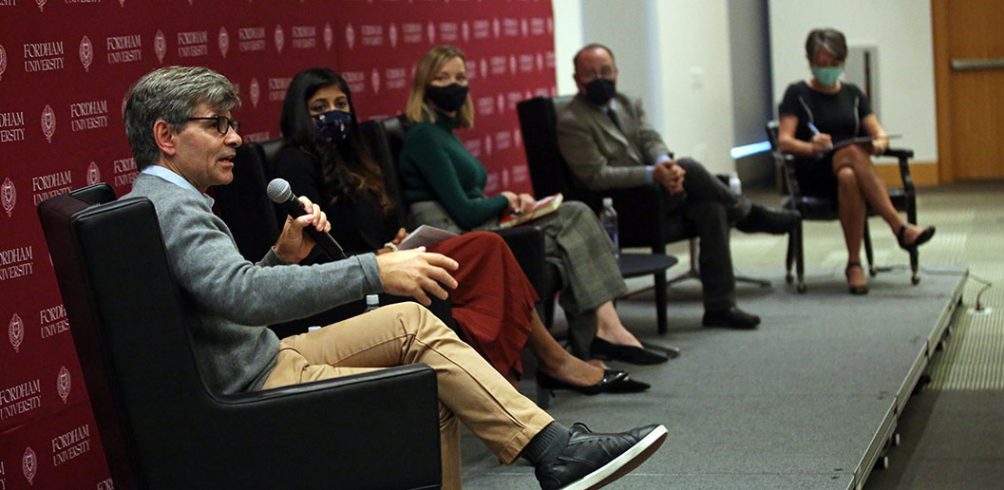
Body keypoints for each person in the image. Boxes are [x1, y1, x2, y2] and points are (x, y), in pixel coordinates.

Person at [121, 65, 666, 490]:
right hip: (254, 383)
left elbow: (221, 298)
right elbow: (243, 297)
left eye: (232, 124)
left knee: (409, 320)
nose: (235, 138)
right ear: (166, 135)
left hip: (261, 355)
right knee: (423, 393)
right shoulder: (174, 208)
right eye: (217, 125)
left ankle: (555, 451)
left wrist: (281, 258)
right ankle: (556, 452)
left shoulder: (163, 201)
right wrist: (372, 268)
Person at [272, 66, 649, 394]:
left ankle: (543, 366)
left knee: (490, 249)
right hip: (360, 276)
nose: (334, 115)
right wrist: (377, 258)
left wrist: (397, 239)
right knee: (488, 247)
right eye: (320, 108)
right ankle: (550, 364)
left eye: (341, 105)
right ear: (300, 114)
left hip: (395, 257)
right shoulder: (295, 163)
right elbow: (315, 249)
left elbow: (386, 220)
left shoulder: (356, 154)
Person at [400, 44, 667, 365]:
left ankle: (600, 336)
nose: (454, 85)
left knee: (569, 229)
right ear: (424, 85)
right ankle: (603, 334)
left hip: (477, 227)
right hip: (456, 239)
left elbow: (468, 202)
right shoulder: (424, 137)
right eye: (442, 78)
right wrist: (507, 199)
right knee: (574, 216)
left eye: (460, 76)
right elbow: (463, 211)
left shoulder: (445, 133)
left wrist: (511, 205)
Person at [557, 43, 801, 329]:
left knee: (710, 207)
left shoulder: (628, 102)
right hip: (621, 208)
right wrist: (653, 174)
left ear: (616, 72)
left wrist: (664, 165)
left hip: (658, 194)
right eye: (591, 74)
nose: (601, 78)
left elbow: (650, 139)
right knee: (690, 166)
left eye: (606, 71)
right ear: (577, 79)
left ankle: (720, 308)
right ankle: (748, 213)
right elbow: (595, 176)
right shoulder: (572, 120)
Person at [776, 29, 935, 294]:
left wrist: (879, 144)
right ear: (810, 61)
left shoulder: (853, 94)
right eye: (821, 64)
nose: (826, 69)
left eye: (833, 64)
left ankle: (854, 265)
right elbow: (785, 141)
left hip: (849, 173)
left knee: (849, 173)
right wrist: (811, 146)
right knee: (850, 152)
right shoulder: (797, 93)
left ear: (842, 62)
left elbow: (879, 132)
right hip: (813, 170)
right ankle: (899, 227)